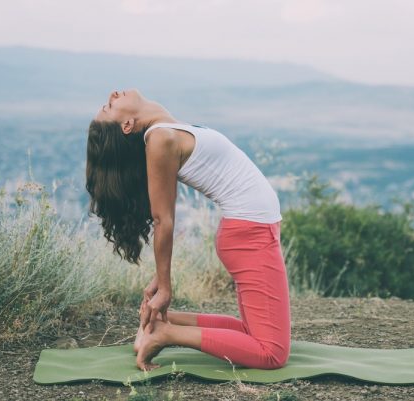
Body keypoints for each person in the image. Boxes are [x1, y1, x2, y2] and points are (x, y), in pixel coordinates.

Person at [85, 88, 291, 371]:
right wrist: (165, 286)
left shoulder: (165, 128)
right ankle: (165, 334)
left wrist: (160, 279)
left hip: (250, 232)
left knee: (249, 331)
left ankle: (159, 322)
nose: (113, 94)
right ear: (127, 125)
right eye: (109, 106)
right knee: (272, 353)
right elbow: (163, 220)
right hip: (249, 236)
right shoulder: (159, 139)